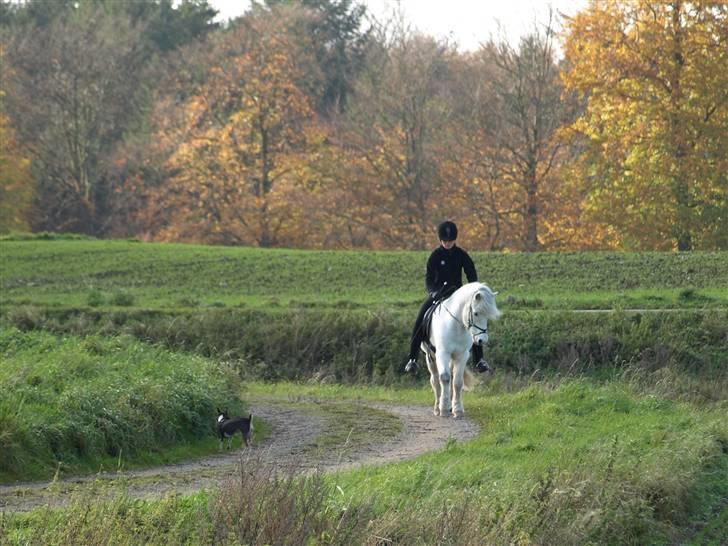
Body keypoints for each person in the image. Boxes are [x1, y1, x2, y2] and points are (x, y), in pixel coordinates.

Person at [405, 220, 490, 374]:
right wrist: (433, 292)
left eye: (450, 241)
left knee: (476, 318)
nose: (448, 243)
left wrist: (474, 291)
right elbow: (429, 279)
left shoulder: (462, 255)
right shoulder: (435, 256)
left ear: (454, 240)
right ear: (440, 240)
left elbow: (471, 273)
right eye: (445, 241)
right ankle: (412, 359)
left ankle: (479, 360)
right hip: (439, 293)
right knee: (421, 318)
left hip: (459, 294)